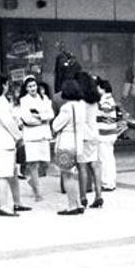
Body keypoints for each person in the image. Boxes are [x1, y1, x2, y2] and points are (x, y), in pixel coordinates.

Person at [0, 74, 31, 217]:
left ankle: (3, 202)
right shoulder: (1, 101)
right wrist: (19, 136)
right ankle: (5, 206)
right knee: (4, 175)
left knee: (5, 174)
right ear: (3, 85)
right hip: (4, 143)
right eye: (7, 84)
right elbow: (8, 122)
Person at [51, 79, 87, 215]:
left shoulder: (66, 108)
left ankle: (72, 205)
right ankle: (77, 203)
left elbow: (55, 125)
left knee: (67, 175)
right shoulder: (81, 105)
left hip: (65, 144)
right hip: (78, 144)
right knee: (73, 175)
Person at [18, 77, 54, 201]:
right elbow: (27, 119)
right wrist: (43, 120)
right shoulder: (24, 101)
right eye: (29, 86)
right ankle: (38, 193)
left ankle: (32, 181)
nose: (32, 88)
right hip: (31, 136)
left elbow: (51, 114)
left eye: (34, 85)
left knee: (45, 163)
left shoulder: (44, 98)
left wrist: (40, 116)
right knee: (33, 164)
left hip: (44, 135)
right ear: (26, 89)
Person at [76, 72, 103, 209]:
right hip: (94, 134)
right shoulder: (94, 100)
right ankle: (98, 194)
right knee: (95, 165)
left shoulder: (80, 102)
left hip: (83, 136)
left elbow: (79, 121)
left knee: (82, 166)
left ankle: (83, 196)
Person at [96, 78, 121, 192]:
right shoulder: (111, 99)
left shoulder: (105, 101)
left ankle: (107, 183)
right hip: (110, 134)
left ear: (102, 88)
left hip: (104, 134)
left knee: (104, 159)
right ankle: (111, 181)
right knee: (109, 159)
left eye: (98, 87)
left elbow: (104, 114)